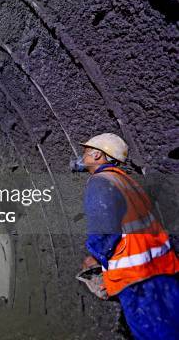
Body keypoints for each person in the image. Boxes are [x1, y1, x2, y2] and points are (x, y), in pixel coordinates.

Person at [73, 133, 179, 340]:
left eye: (86, 152)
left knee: (153, 333)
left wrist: (95, 256)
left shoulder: (100, 182)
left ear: (98, 155)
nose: (82, 156)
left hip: (135, 279)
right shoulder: (127, 180)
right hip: (162, 267)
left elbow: (104, 231)